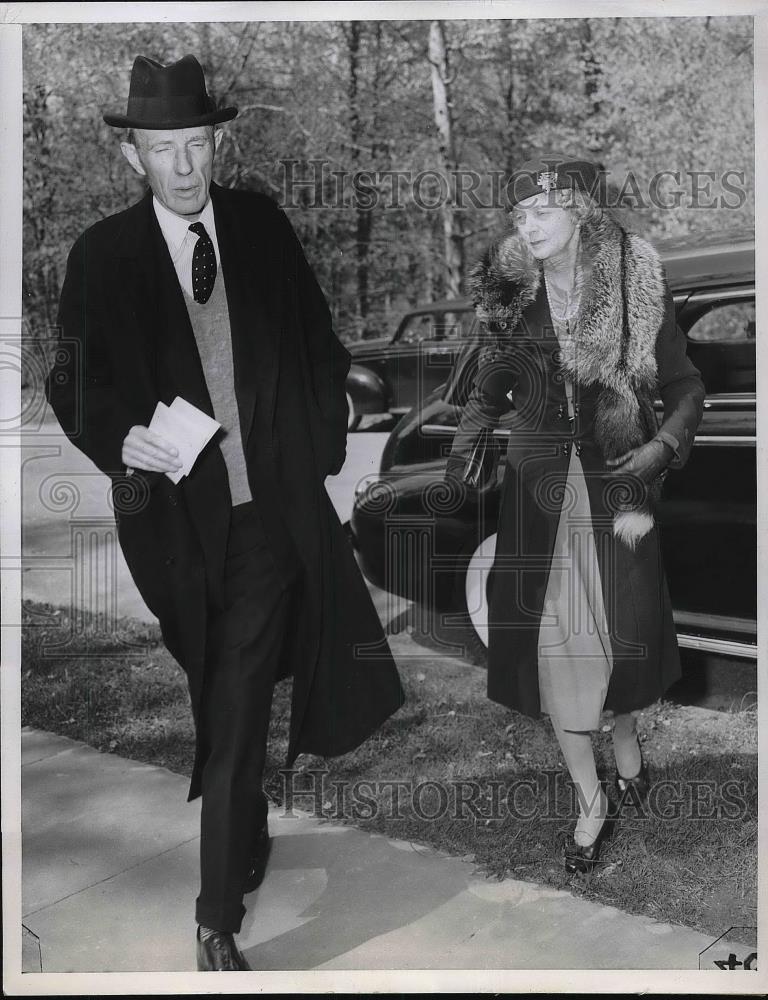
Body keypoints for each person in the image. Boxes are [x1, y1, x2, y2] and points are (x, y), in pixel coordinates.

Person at [45, 53, 404, 970]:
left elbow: (321, 348)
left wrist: (314, 456)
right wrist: (119, 436)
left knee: (239, 700)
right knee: (218, 688)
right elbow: (72, 380)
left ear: (218, 142)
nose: (183, 166)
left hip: (270, 522)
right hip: (172, 530)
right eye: (163, 150)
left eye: (196, 144)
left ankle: (214, 918)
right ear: (133, 158)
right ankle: (244, 837)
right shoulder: (102, 256)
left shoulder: (262, 228)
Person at [446, 154, 705, 872]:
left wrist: (661, 449)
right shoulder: (507, 295)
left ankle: (625, 742)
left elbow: (686, 388)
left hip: (616, 486)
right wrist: (466, 444)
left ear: (581, 215)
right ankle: (591, 799)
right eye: (519, 214)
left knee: (622, 640)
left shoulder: (633, 290)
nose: (527, 225)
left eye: (543, 212)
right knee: (557, 650)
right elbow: (487, 386)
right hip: (536, 498)